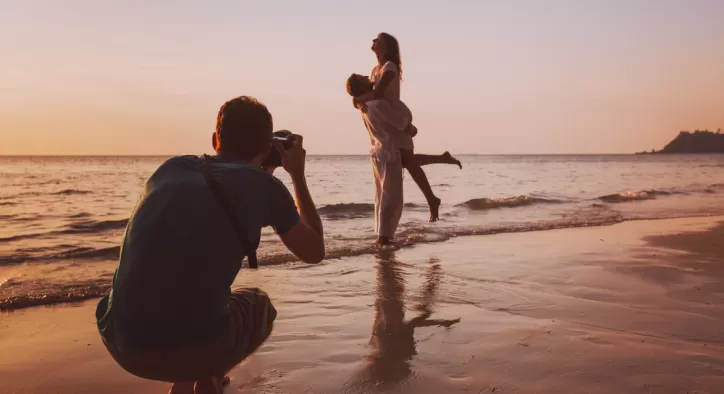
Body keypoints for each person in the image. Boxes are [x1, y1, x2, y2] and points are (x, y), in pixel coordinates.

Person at [95, 96, 325, 394]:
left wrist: (262, 171)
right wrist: (297, 175)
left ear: (215, 139)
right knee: (259, 305)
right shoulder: (263, 187)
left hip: (120, 342)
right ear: (267, 148)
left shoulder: (171, 168)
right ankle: (205, 373)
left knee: (185, 292)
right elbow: (314, 251)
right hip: (188, 349)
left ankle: (189, 379)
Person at [353, 32, 462, 223]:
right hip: (387, 121)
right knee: (404, 161)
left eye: (378, 39)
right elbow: (366, 92)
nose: (373, 41)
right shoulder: (374, 70)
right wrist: (356, 100)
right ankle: (440, 167)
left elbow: (377, 93)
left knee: (407, 162)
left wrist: (357, 99)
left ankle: (432, 198)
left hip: (397, 117)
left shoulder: (389, 67)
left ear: (386, 46)